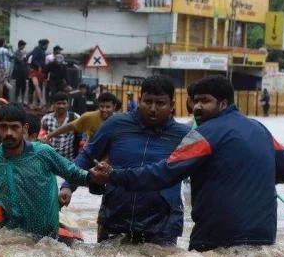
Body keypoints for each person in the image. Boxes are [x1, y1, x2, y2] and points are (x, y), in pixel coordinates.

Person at [90, 75, 284, 252]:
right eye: (195, 101)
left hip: (216, 236)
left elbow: (164, 174)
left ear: (223, 104)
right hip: (263, 235)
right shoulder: (259, 129)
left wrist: (113, 175)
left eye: (205, 101)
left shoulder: (203, 134)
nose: (197, 107)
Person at [60, 75, 191, 246]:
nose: (153, 108)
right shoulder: (116, 124)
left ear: (172, 105)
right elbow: (87, 155)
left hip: (162, 225)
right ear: (139, 99)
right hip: (115, 217)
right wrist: (68, 187)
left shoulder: (184, 135)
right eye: (148, 101)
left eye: (160, 103)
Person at [0, 103, 92, 238]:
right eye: (4, 127)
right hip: (13, 242)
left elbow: (73, 173)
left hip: (48, 241)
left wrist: (94, 178)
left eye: (14, 127)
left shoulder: (43, 153)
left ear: (24, 128)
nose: (8, 133)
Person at [44, 92, 118, 144]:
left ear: (114, 106)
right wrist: (49, 135)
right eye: (102, 107)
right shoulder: (89, 117)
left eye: (108, 107)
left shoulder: (119, 121)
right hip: (92, 155)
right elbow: (69, 126)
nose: (104, 110)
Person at [40, 92, 80, 160]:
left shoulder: (75, 117)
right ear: (53, 104)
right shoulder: (46, 119)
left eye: (64, 103)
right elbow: (41, 136)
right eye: (58, 103)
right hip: (50, 159)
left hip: (69, 161)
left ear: (68, 104)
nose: (61, 106)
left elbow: (84, 136)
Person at [27, 39, 49, 107]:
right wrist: (38, 65)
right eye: (47, 45)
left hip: (40, 71)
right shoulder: (37, 49)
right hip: (34, 70)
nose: (47, 46)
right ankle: (41, 101)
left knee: (37, 87)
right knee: (36, 85)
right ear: (44, 44)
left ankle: (34, 103)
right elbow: (33, 58)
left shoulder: (42, 50)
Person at [12, 40, 28, 105]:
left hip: (23, 71)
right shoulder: (16, 52)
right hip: (18, 71)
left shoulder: (23, 52)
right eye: (23, 45)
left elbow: (25, 61)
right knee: (18, 86)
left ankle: (23, 100)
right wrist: (23, 57)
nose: (24, 47)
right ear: (20, 45)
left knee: (23, 86)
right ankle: (16, 100)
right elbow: (19, 60)